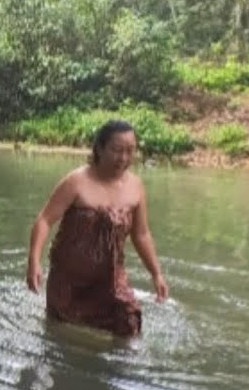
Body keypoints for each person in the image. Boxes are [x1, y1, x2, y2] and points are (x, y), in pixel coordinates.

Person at [27, 120, 169, 335]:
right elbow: (44, 220)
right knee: (61, 334)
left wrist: (156, 274)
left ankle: (123, 368)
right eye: (117, 150)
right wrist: (34, 261)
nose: (123, 158)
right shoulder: (76, 182)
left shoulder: (135, 186)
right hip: (69, 278)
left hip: (111, 276)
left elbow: (141, 235)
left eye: (130, 151)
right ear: (100, 149)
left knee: (129, 321)